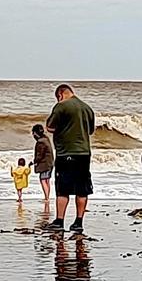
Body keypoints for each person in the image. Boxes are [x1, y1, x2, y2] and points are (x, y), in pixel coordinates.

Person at [45, 84, 96, 232]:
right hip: (84, 153)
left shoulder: (61, 106)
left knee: (63, 189)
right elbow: (90, 130)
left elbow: (50, 127)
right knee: (82, 189)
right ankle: (78, 222)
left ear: (60, 95)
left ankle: (60, 221)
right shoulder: (87, 108)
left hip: (66, 152)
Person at [32, 124, 54, 201]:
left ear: (35, 133)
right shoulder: (46, 139)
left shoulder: (40, 142)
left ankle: (47, 198)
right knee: (47, 180)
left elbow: (39, 155)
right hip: (50, 163)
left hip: (45, 164)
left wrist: (33, 162)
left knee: (43, 180)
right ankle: (47, 196)